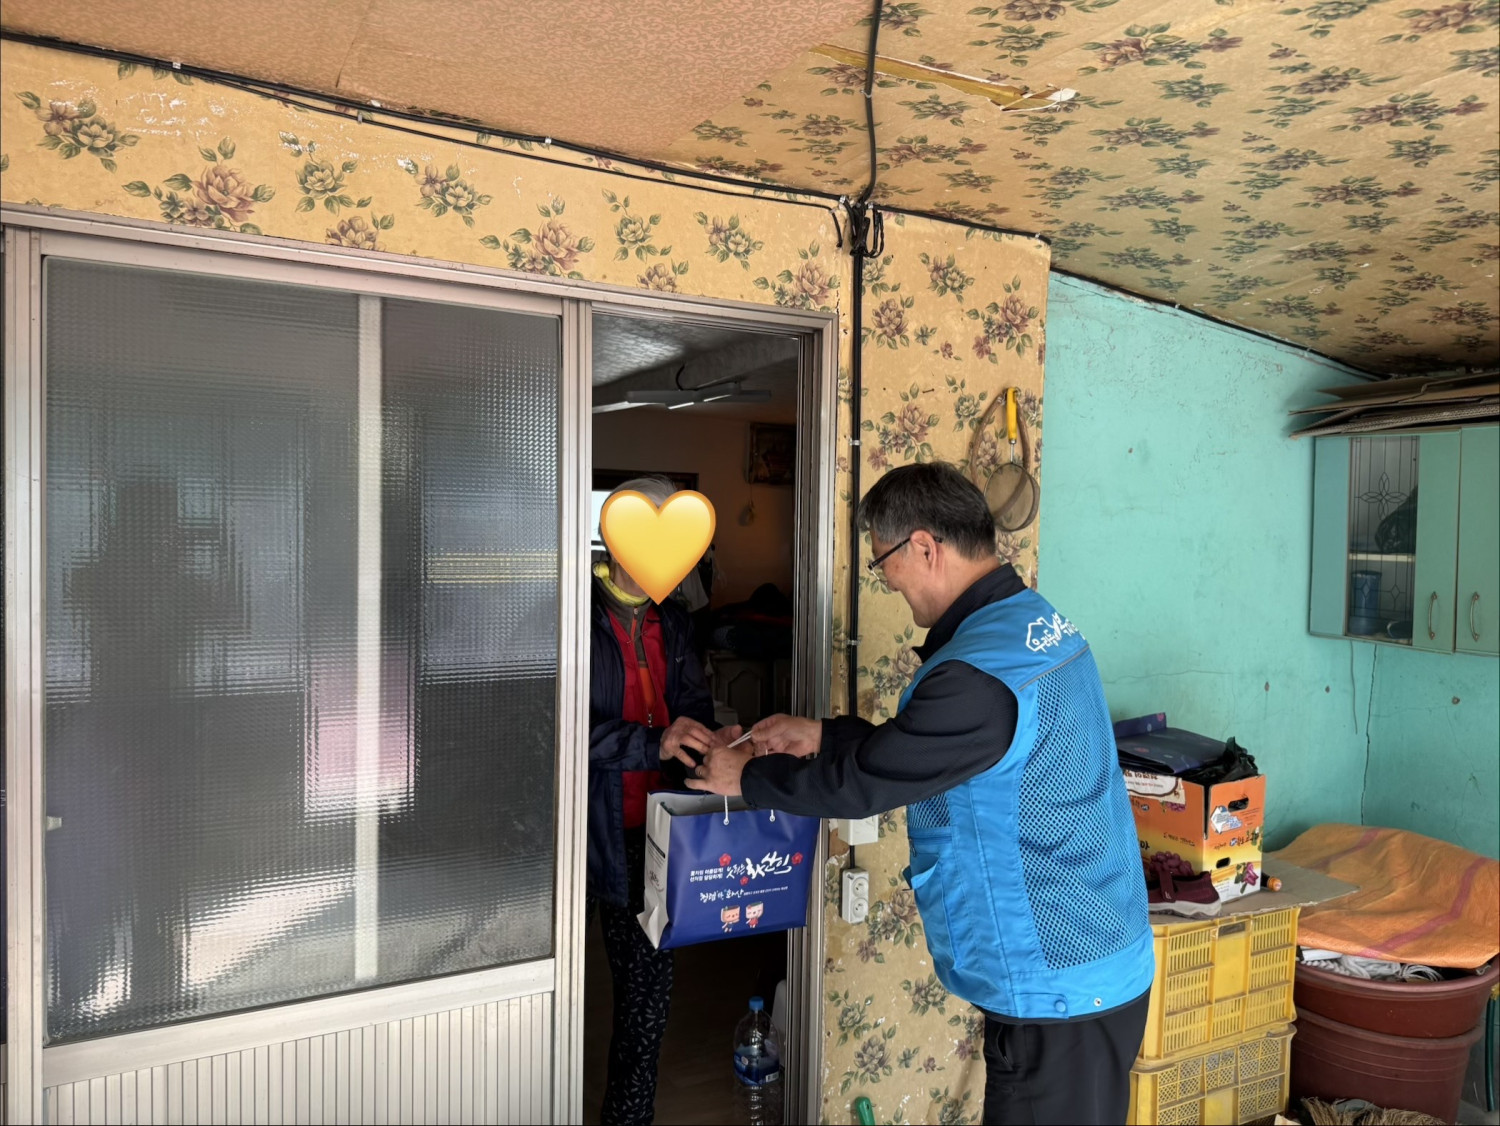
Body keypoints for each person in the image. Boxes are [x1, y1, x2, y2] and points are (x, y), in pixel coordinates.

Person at [688, 461, 1153, 1126]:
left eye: (884, 562)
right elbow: (930, 750)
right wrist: (821, 734)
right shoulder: (1028, 624)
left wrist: (747, 778)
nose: (888, 582)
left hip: (1057, 982)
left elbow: (865, 784)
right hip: (1090, 955)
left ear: (925, 546)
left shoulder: (977, 672)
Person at [587, 474, 741, 1125]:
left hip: (657, 832)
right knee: (553, 987)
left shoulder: (673, 621)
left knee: (647, 998)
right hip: (587, 830)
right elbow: (556, 731)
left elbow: (692, 706)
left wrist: (711, 739)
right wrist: (654, 742)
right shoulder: (573, 612)